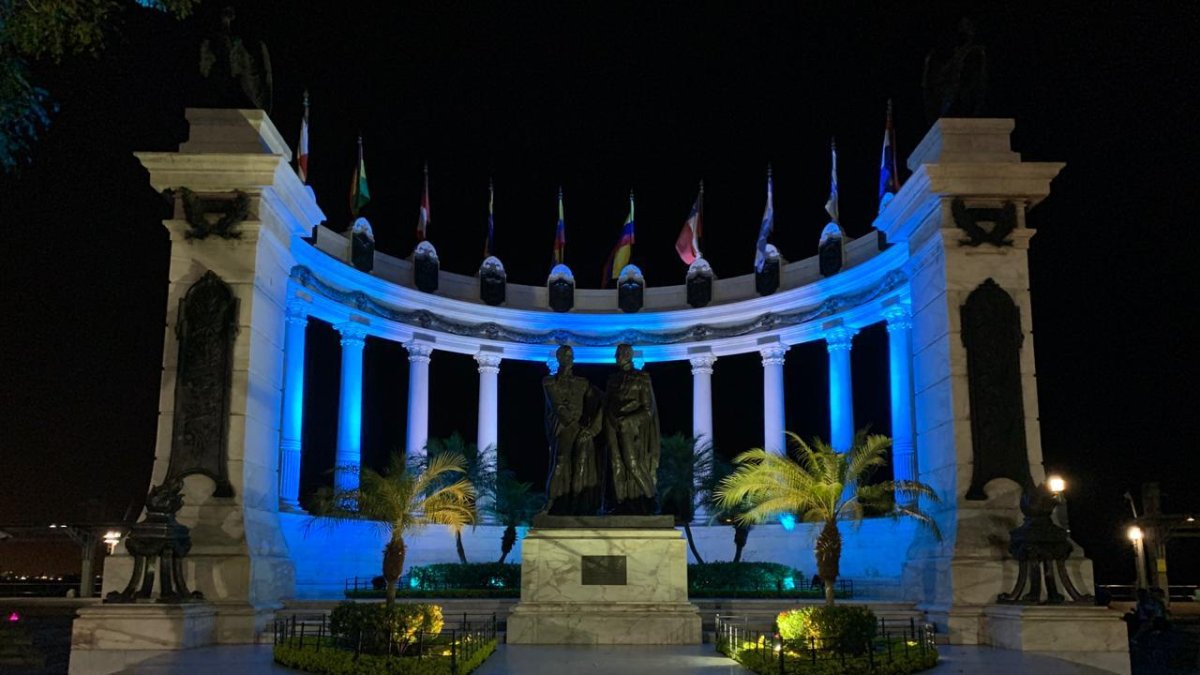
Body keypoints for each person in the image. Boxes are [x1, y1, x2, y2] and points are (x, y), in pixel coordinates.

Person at [542, 345, 602, 515]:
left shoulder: (583, 383)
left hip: (582, 430)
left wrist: (593, 428)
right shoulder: (549, 381)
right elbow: (558, 407)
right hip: (563, 429)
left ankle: (578, 505)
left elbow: (600, 400)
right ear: (558, 357)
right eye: (565, 355)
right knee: (560, 462)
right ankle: (551, 503)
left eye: (571, 356)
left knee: (581, 465)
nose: (569, 359)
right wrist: (580, 428)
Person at [602, 344, 660, 514]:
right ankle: (620, 503)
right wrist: (611, 419)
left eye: (618, 353)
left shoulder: (642, 378)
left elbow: (648, 409)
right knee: (616, 464)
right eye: (616, 353)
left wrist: (629, 420)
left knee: (633, 463)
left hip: (631, 426)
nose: (616, 356)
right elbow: (607, 403)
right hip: (612, 425)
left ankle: (650, 499)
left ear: (627, 355)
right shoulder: (612, 379)